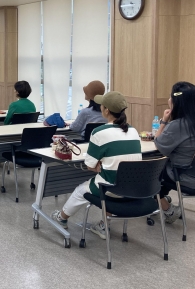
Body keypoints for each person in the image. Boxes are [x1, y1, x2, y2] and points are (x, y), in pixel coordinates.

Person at [51, 91, 142, 239]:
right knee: (109, 181)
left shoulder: (99, 132)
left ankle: (61, 218)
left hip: (111, 187)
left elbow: (90, 166)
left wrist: (100, 163)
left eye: (102, 105)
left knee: (81, 190)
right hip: (133, 187)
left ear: (106, 110)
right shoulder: (133, 130)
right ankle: (103, 225)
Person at [153, 81, 195, 223]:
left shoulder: (179, 125)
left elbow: (159, 144)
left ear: (175, 101)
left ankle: (167, 209)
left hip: (187, 177)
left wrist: (164, 121)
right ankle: (161, 196)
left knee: (151, 170)